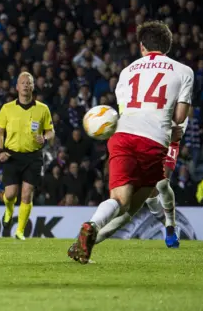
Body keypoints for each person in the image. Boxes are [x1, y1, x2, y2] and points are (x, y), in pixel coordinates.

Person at [69, 21, 193, 264]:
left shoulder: (127, 71)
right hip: (153, 141)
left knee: (118, 199)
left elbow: (123, 110)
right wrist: (175, 132)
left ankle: (90, 227)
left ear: (142, 46)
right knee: (130, 209)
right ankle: (86, 240)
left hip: (121, 136)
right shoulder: (183, 71)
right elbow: (179, 117)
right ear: (167, 45)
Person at [89, 118, 187, 249]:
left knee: (162, 183)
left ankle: (170, 226)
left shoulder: (177, 102)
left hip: (165, 139)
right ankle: (86, 242)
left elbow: (181, 115)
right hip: (138, 140)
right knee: (139, 202)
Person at [0, 72, 54, 240]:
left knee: (27, 193)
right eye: (23, 82)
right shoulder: (7, 108)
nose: (26, 85)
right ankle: (9, 209)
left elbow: (51, 131)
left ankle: (20, 231)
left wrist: (45, 138)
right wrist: (0, 151)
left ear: (33, 87)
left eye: (29, 82)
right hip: (12, 155)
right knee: (11, 193)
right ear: (17, 87)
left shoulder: (42, 109)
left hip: (33, 156)